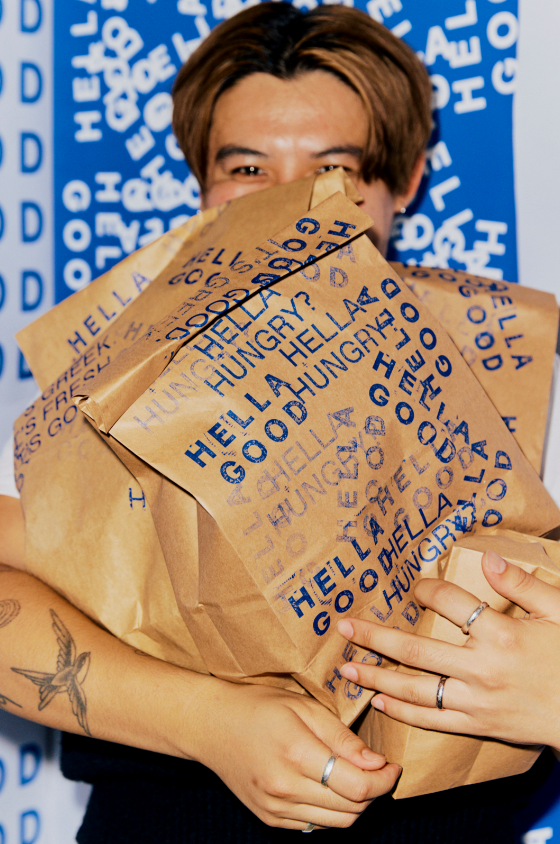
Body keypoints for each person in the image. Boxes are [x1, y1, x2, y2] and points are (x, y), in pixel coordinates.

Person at [0, 3, 558, 842]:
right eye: (251, 169)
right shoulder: (99, 379)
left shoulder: (519, 372)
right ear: (203, 183)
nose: (298, 199)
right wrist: (208, 722)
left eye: (337, 165)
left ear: (403, 180)